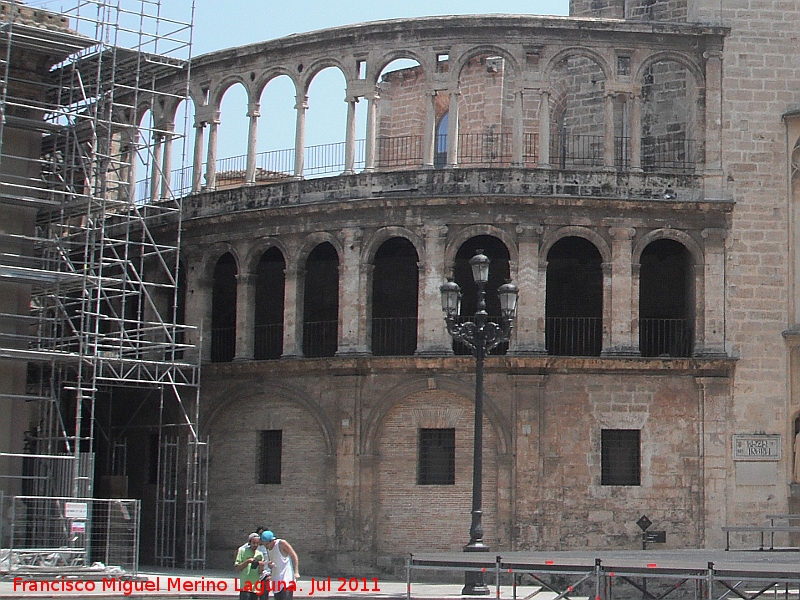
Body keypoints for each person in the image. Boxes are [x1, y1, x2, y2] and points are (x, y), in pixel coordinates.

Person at [261, 530, 299, 600]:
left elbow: (294, 556)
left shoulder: (281, 544)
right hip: (276, 581)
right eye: (264, 544)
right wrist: (270, 565)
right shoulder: (268, 549)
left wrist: (296, 572)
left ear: (272, 540)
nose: (266, 546)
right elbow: (272, 561)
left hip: (286, 579)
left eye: (267, 544)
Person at [235, 533, 265, 600]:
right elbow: (237, 567)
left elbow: (260, 572)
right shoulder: (242, 552)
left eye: (257, 543)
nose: (255, 545)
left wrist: (261, 566)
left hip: (255, 587)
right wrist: (248, 561)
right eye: (253, 543)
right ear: (249, 542)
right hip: (245, 586)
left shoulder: (260, 554)